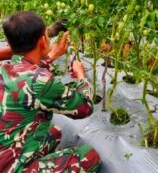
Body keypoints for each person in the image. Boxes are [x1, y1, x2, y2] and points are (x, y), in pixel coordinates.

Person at [0, 11, 101, 172]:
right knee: (89, 156)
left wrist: (50, 56)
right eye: (47, 34)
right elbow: (85, 107)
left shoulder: (4, 69)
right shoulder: (41, 81)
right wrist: (81, 76)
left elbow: (28, 78)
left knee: (54, 132)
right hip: (10, 168)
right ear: (42, 41)